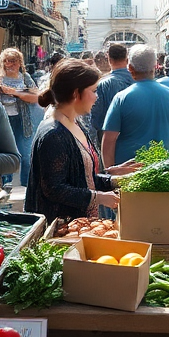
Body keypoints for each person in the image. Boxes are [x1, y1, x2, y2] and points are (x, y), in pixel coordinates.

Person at [25, 60, 142, 221]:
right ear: (76, 94)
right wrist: (99, 198)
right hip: (59, 229)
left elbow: (82, 178)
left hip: (77, 225)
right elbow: (54, 189)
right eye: (93, 91)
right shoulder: (53, 134)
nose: (96, 97)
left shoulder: (74, 124)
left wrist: (114, 179)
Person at [101, 45, 169, 167]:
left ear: (130, 68)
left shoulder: (121, 98)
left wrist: (110, 171)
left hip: (130, 172)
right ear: (155, 66)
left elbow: (109, 140)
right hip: (165, 170)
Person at [0, 48, 40, 188]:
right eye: (5, 61)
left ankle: (26, 184)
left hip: (22, 121)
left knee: (25, 153)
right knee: (5, 153)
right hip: (3, 120)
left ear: (19, 62)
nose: (8, 64)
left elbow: (36, 96)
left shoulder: (24, 77)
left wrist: (15, 92)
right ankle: (6, 183)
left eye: (12, 61)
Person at [89, 44, 133, 144]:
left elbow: (96, 118)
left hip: (111, 140)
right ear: (127, 60)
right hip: (136, 137)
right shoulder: (138, 80)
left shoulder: (103, 84)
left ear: (109, 60)